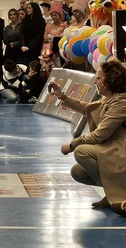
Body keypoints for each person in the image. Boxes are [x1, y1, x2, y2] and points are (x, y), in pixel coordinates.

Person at [51, 60, 126, 213]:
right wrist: (62, 96)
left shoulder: (121, 102)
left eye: (98, 77)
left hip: (121, 150)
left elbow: (99, 135)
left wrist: (72, 145)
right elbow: (87, 108)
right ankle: (112, 193)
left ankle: (119, 194)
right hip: (113, 148)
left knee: (81, 151)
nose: (95, 81)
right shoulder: (110, 98)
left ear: (110, 81)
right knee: (77, 172)